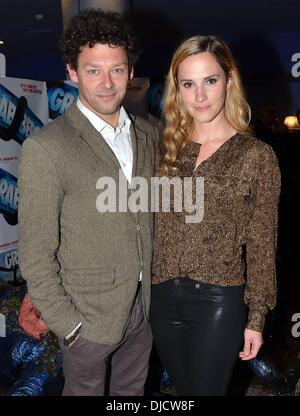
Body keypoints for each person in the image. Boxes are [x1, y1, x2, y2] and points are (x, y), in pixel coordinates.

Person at [18, 8, 158, 396]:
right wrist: (70, 325)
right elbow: (36, 254)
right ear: (73, 73)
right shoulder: (48, 148)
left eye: (117, 69)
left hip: (143, 310)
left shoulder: (148, 133)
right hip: (87, 319)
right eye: (93, 70)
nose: (107, 83)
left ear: (130, 73)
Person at [150, 35, 281, 396]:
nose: (200, 96)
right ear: (177, 89)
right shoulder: (162, 151)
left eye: (210, 81)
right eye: (188, 84)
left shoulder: (256, 156)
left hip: (218, 299)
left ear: (229, 80)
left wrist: (256, 318)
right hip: (161, 299)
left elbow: (261, 243)